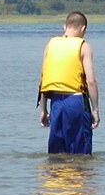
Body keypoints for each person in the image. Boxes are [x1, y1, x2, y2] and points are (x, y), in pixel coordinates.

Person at [38, 11, 99, 154]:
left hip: (56, 103)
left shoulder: (51, 45)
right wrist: (95, 110)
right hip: (76, 102)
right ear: (83, 28)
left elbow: (43, 79)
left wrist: (43, 110)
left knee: (56, 154)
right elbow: (90, 80)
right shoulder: (83, 46)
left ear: (65, 26)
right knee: (81, 153)